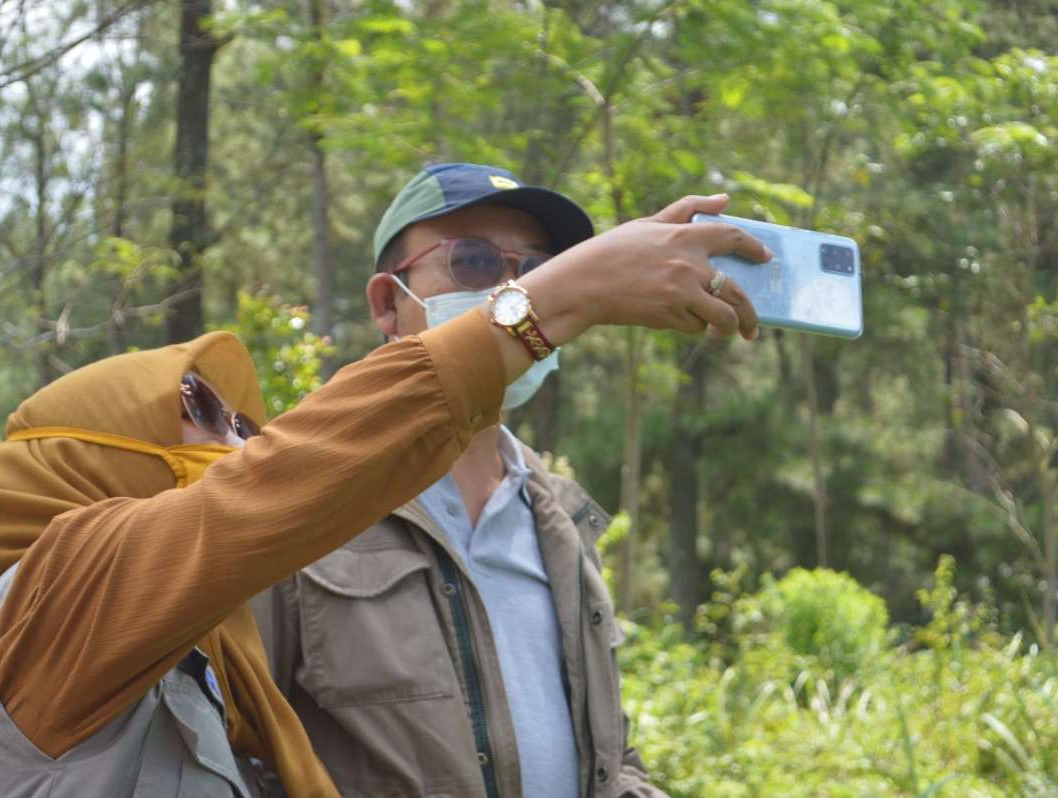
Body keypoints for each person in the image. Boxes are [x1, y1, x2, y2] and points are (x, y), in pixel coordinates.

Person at [0, 179, 765, 798]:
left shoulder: (193, 660)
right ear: (91, 456)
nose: (243, 434)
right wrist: (554, 299)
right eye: (201, 405)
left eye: (248, 427)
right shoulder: (67, 599)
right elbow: (284, 484)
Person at [252, 163, 769, 797]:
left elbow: (606, 758)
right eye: (471, 261)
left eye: (535, 271)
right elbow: (239, 751)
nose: (510, 287)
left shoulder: (562, 521)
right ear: (388, 303)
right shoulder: (300, 501)